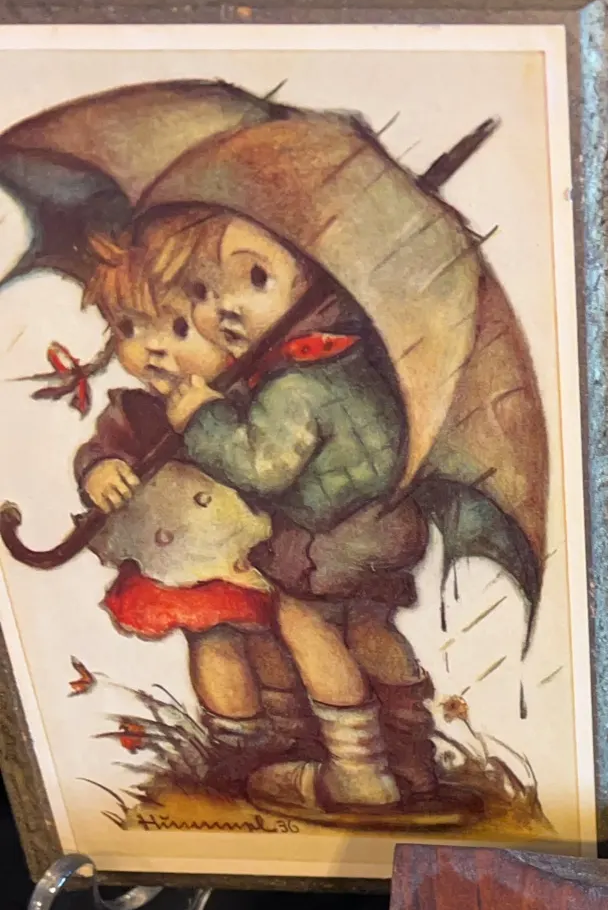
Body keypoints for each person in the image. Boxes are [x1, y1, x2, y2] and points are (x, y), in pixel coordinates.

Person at [143, 206, 440, 813]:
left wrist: (202, 418)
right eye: (202, 291)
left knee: (307, 626)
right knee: (370, 627)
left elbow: (262, 468)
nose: (223, 308)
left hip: (326, 538)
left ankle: (358, 772)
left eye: (255, 279)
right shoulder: (357, 363)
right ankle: (411, 759)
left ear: (321, 283)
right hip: (389, 527)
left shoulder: (295, 384)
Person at [72, 224, 307, 768]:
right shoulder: (134, 411)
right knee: (214, 642)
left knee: (272, 642)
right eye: (130, 328)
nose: (152, 347)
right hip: (183, 561)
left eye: (179, 327)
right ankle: (237, 742)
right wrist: (99, 471)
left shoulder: (250, 400)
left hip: (252, 554)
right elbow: (100, 450)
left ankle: (291, 731)